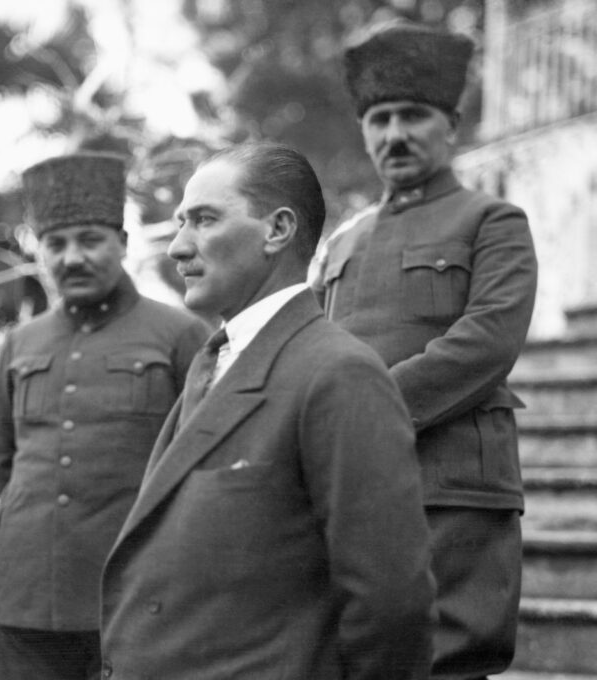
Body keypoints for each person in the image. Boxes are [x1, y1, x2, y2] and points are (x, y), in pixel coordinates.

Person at [100, 142, 436, 680]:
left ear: (277, 230)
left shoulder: (338, 373)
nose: (178, 248)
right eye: (181, 223)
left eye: (205, 220)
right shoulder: (215, 362)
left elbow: (390, 601)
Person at [311, 21, 539, 680]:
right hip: (350, 485)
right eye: (379, 119)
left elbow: (487, 341)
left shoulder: (492, 221)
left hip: (451, 487)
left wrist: (368, 411)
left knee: (446, 663)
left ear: (452, 124)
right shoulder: (343, 241)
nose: (394, 134)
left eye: (413, 115)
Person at [0, 152, 208, 680]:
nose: (72, 258)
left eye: (90, 240)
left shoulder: (179, 335)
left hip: (136, 597)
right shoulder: (20, 342)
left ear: (123, 245)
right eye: (55, 244)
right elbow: (0, 463)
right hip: (24, 601)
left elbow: (201, 462)